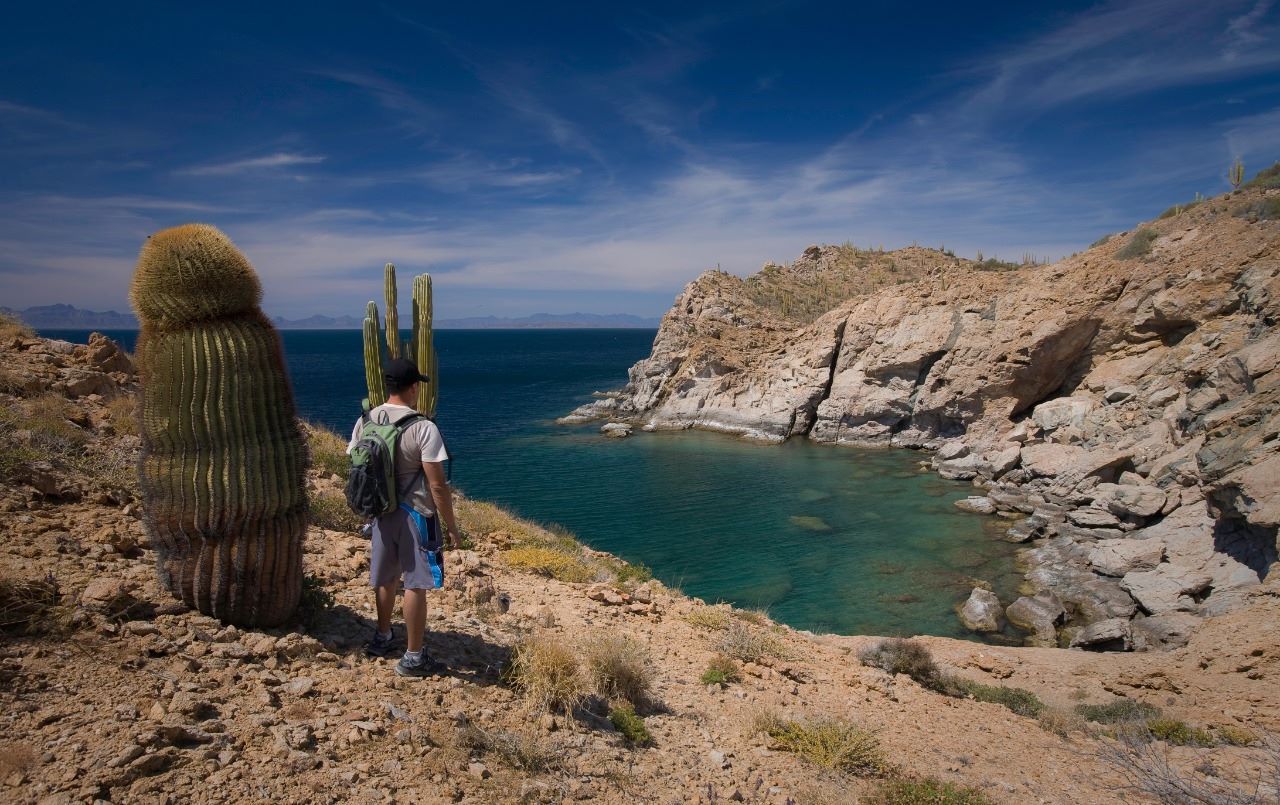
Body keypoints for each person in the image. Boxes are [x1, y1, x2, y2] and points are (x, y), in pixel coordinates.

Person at [347, 357, 459, 677]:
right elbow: (437, 484)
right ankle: (413, 657)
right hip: (416, 514)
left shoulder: (366, 420)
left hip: (381, 511)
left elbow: (355, 462)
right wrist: (451, 527)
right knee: (415, 583)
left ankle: (382, 636)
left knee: (385, 577)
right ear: (413, 388)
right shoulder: (423, 427)